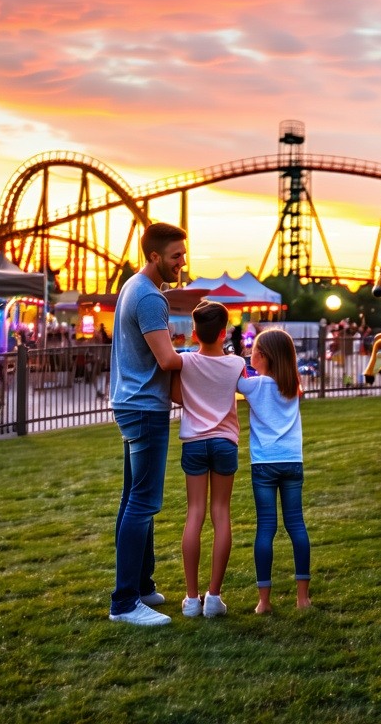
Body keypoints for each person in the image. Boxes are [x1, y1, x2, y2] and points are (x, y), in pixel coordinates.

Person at [108, 222, 187, 626]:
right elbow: (168, 360)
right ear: (154, 256)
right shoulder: (151, 298)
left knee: (132, 498)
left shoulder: (131, 286)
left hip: (130, 404)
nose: (182, 262)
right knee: (144, 501)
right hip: (144, 409)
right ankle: (124, 603)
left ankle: (140, 586)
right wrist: (207, 355)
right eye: (176, 256)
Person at [170, 299, 245, 619]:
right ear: (224, 332)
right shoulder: (237, 363)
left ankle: (190, 599)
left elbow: (176, 396)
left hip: (195, 444)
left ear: (195, 333)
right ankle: (214, 597)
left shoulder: (185, 362)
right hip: (225, 442)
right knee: (221, 513)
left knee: (195, 514)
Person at [237, 328, 312, 614]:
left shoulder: (254, 386)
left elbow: (232, 375)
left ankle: (264, 601)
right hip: (293, 461)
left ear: (264, 356)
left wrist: (238, 363)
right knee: (296, 526)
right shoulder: (293, 385)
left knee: (266, 529)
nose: (249, 353)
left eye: (253, 349)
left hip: (264, 464)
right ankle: (302, 598)